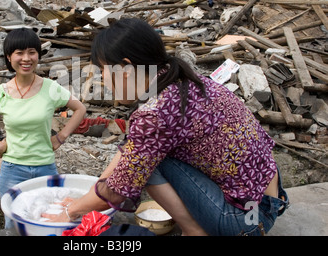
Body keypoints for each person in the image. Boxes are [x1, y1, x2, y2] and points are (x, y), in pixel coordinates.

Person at [43, 18, 289, 236]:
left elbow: (120, 187)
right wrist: (94, 190)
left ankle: (194, 231)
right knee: (142, 156)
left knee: (145, 165)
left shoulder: (156, 112)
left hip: (246, 222)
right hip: (266, 201)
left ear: (125, 68)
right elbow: (130, 148)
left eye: (101, 71)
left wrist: (70, 210)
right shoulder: (181, 79)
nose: (101, 79)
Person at [0, 28, 86, 228]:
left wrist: (61, 136)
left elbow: (80, 109)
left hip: (45, 167)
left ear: (38, 55)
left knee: (48, 221)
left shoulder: (50, 88)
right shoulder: (1, 92)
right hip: (12, 170)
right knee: (14, 224)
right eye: (19, 53)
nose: (26, 58)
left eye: (32, 52)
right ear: (9, 57)